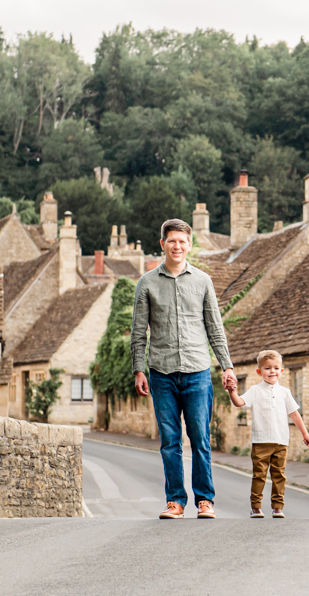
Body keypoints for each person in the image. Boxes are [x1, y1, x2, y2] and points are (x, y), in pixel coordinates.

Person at [131, 218, 237, 520]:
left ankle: (205, 501)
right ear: (162, 244)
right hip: (161, 373)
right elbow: (139, 331)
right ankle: (175, 501)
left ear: (189, 245)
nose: (177, 246)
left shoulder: (203, 281)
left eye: (183, 241)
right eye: (172, 241)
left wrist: (226, 365)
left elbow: (215, 327)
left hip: (198, 372)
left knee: (201, 439)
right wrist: (139, 369)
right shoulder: (147, 283)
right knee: (170, 441)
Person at [227, 350, 309, 518]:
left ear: (281, 371)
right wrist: (232, 391)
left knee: (279, 476)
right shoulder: (254, 390)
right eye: (267, 368)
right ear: (259, 372)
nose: (272, 371)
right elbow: (239, 402)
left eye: (276, 368)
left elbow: (295, 414)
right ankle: (256, 507)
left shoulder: (285, 392)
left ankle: (277, 507)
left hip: (281, 441)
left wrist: (306, 434)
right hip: (261, 441)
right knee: (259, 475)